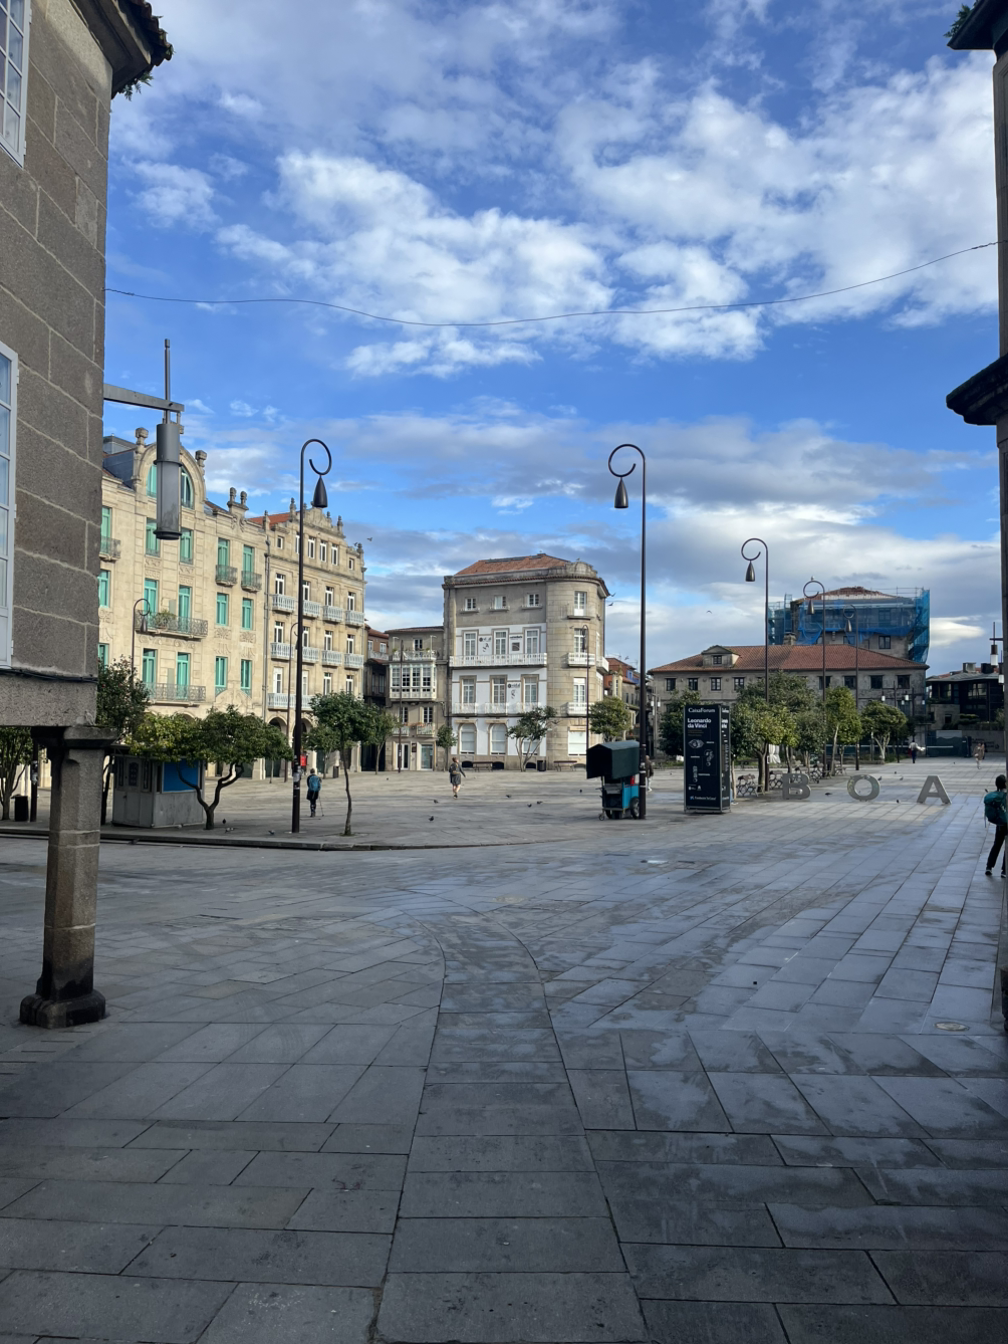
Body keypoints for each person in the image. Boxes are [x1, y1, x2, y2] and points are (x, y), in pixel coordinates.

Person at [984, 774, 1007, 877]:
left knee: (997, 845)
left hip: (1000, 824)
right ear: (1005, 783)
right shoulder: (1006, 796)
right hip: (1007, 823)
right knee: (1007, 847)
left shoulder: (997, 796)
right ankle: (1004, 870)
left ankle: (989, 866)